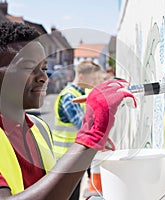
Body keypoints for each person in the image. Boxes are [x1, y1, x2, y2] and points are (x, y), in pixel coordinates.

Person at [0, 22, 137, 200]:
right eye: (29, 67)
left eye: (44, 68)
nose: (43, 77)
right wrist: (91, 135)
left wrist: (88, 149)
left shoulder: (39, 128)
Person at [52, 60, 103, 199]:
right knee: (69, 196)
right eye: (94, 79)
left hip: (78, 156)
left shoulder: (83, 93)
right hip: (66, 158)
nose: (96, 82)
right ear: (81, 77)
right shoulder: (70, 97)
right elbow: (84, 126)